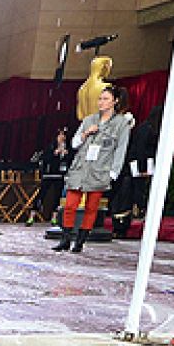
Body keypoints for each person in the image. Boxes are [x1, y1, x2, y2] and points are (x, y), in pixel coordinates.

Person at [56, 85, 131, 253]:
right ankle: (66, 238)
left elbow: (121, 149)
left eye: (105, 99)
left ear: (115, 101)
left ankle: (80, 241)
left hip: (100, 169)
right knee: (70, 205)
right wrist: (85, 134)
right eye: (100, 99)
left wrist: (113, 172)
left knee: (91, 207)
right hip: (81, 166)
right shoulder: (89, 120)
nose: (101, 102)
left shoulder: (121, 124)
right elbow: (75, 143)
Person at [110, 103, 162, 238]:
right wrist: (142, 168)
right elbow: (140, 149)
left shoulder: (148, 128)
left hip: (139, 167)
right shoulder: (146, 129)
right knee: (129, 195)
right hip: (136, 168)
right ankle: (121, 225)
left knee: (133, 194)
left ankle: (124, 224)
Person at [38, 127, 72, 222]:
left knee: (58, 195)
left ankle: (54, 217)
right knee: (42, 194)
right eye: (60, 135)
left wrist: (66, 154)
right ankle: (33, 214)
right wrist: (54, 153)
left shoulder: (69, 147)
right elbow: (44, 158)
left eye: (64, 135)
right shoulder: (51, 146)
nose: (62, 137)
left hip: (60, 174)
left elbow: (72, 159)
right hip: (49, 174)